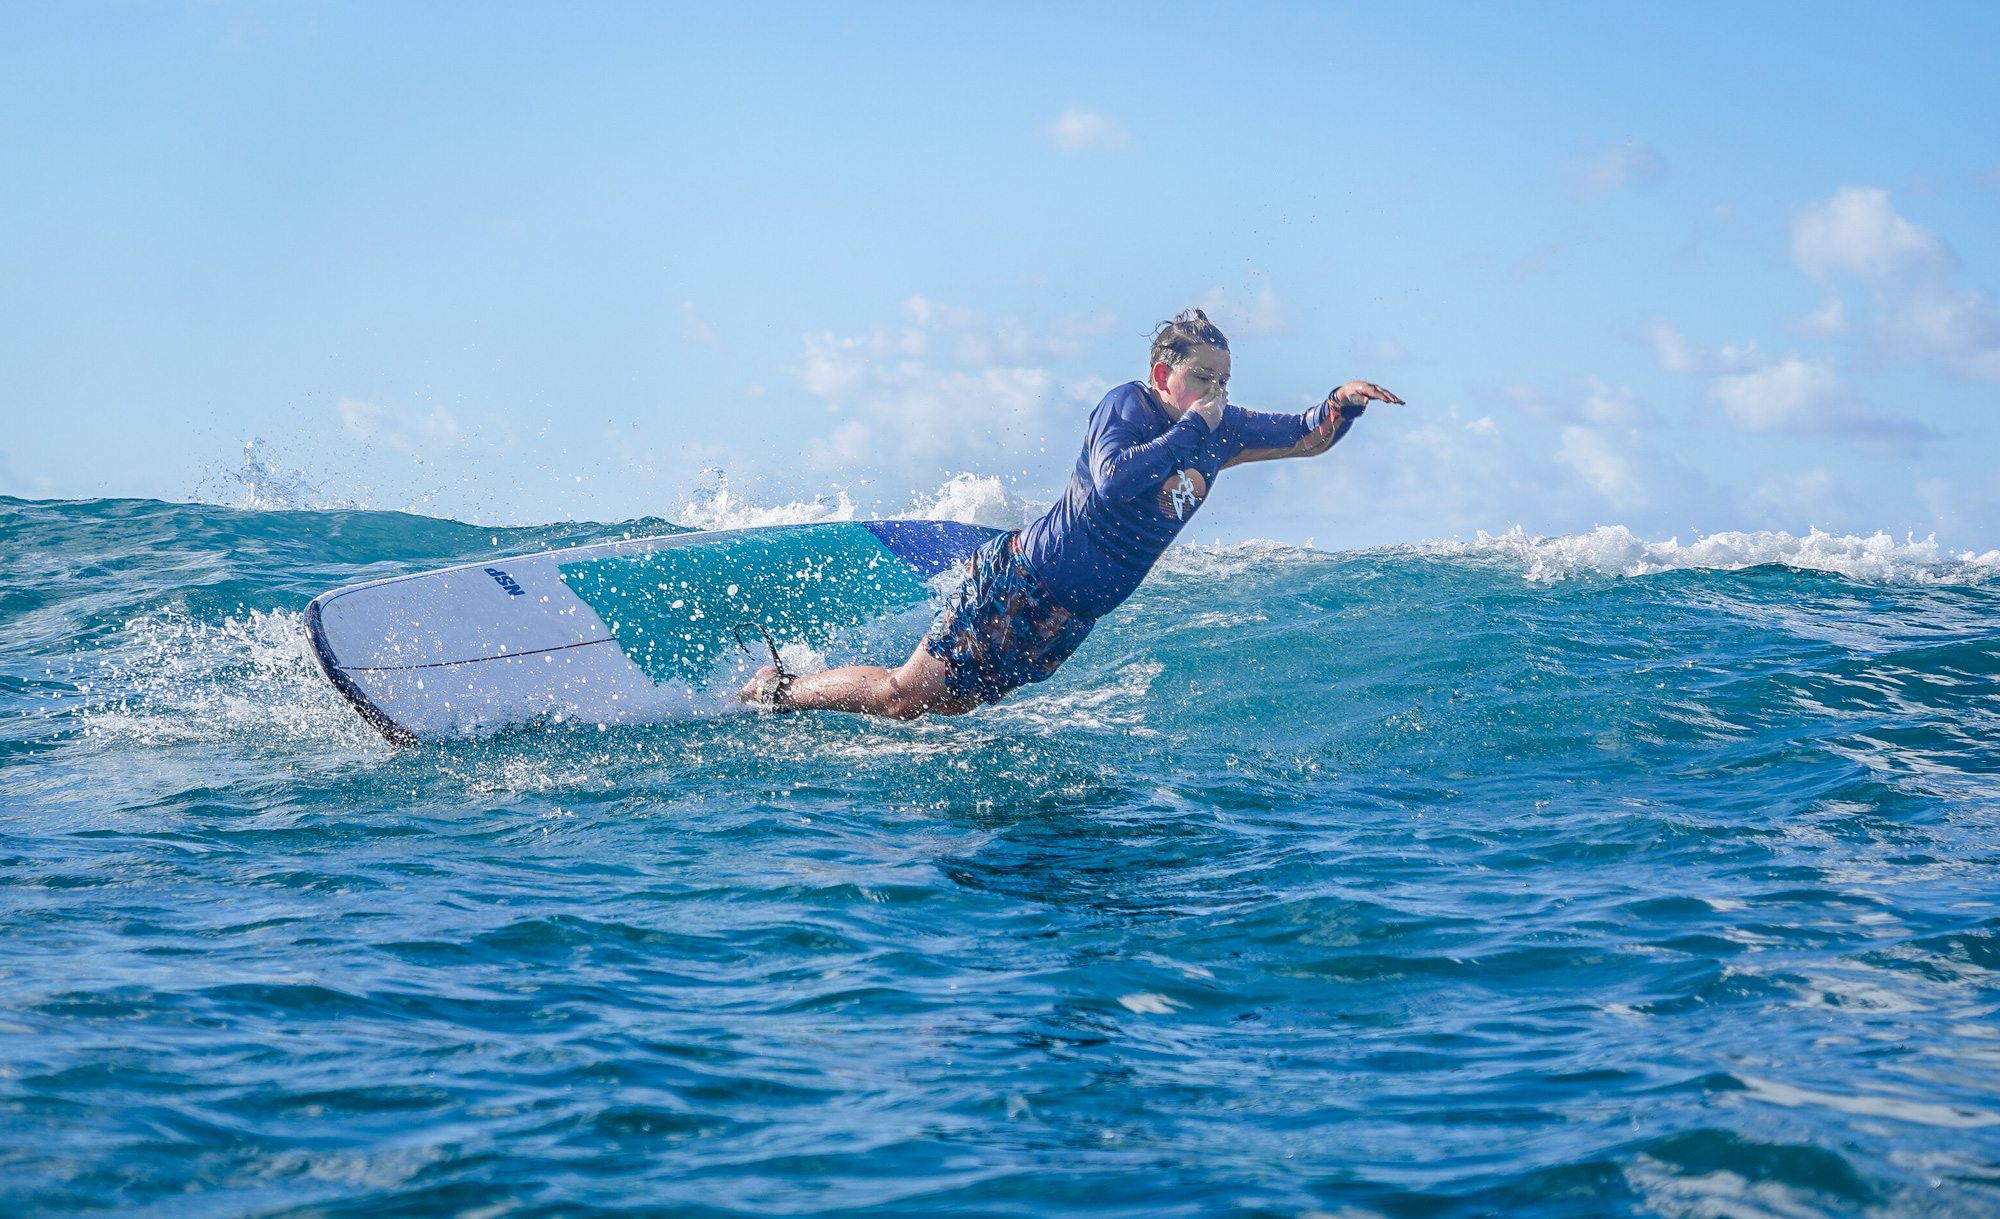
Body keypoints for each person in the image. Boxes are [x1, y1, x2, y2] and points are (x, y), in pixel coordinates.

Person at [739, 308, 1402, 718]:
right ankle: (778, 690)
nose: (1217, 392)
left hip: (1072, 615)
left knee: (939, 709)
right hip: (1022, 580)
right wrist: (1191, 432)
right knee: (903, 696)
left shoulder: (1218, 428)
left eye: (1224, 380)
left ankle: (806, 695)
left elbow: (1307, 434)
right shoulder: (1128, 407)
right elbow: (1114, 482)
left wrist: (1343, 402)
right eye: (1204, 376)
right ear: (1163, 371)